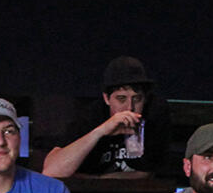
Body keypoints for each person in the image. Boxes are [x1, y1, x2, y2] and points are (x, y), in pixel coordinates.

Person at [43, 56, 173, 180]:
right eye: (121, 99)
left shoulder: (154, 113)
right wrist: (100, 131)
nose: (129, 108)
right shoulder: (90, 115)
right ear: (106, 98)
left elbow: (148, 173)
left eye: (137, 99)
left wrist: (99, 180)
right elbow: (51, 172)